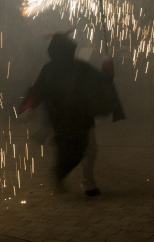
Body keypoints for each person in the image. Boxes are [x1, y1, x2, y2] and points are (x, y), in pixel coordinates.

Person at [23, 32, 123, 196]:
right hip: (75, 116)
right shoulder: (71, 67)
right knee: (84, 149)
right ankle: (74, 178)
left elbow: (38, 90)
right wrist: (107, 63)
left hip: (70, 116)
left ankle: (77, 179)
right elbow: (40, 89)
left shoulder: (63, 67)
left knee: (82, 149)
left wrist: (107, 62)